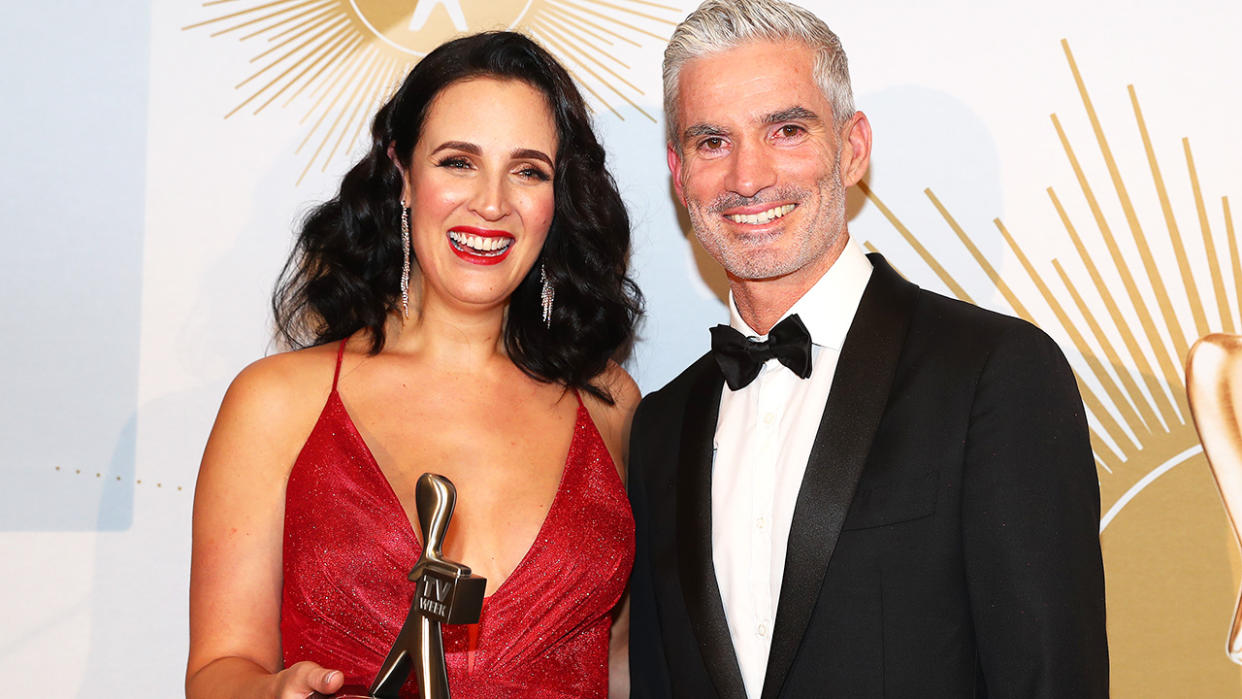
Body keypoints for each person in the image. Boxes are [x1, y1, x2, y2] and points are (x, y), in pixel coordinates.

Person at [627, 1, 1109, 697]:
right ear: (678, 171)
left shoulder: (994, 377)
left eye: (786, 129)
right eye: (712, 142)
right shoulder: (660, 426)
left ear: (852, 148)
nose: (747, 177)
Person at [186, 32, 642, 699]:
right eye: (459, 161)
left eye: (529, 170)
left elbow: (625, 666)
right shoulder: (277, 403)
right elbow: (218, 669)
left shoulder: (610, 404)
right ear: (403, 174)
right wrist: (271, 691)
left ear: (558, 198)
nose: (491, 202)